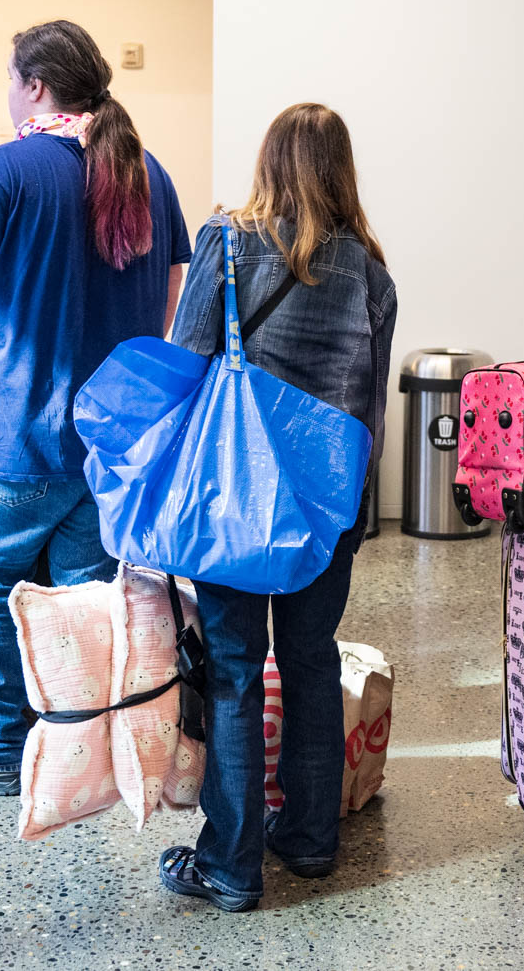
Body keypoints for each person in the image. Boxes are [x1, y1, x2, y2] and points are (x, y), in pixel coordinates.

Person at [0, 19, 191, 794]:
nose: (8, 94)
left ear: (35, 85)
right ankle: (76, 746)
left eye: (10, 79)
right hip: (110, 443)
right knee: (81, 600)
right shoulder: (148, 175)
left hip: (16, 436)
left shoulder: (8, 171)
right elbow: (170, 291)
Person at [155, 103, 396, 913]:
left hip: (235, 496)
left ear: (269, 161)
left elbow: (186, 364)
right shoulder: (372, 268)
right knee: (310, 658)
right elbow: (371, 405)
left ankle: (231, 864)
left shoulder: (226, 243)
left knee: (231, 669)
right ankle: (310, 839)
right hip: (327, 502)